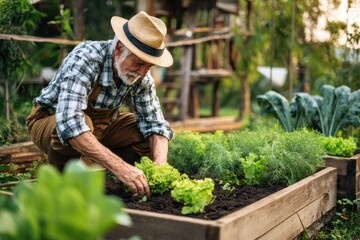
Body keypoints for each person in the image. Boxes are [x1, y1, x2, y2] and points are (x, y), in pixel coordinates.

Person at [26, 11, 174, 198]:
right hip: (49, 121)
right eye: (138, 63)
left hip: (100, 128)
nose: (143, 73)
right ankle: (61, 184)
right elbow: (70, 123)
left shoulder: (141, 76)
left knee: (147, 137)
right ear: (119, 48)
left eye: (149, 66)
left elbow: (156, 125)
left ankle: (104, 178)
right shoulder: (86, 58)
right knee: (81, 124)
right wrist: (121, 167)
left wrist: (160, 167)